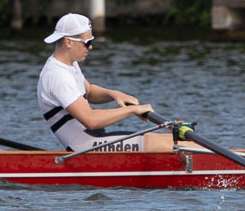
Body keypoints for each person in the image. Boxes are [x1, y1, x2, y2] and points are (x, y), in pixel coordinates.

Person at [36, 12, 184, 152]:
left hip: (94, 139)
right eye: (87, 42)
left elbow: (89, 92)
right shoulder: (57, 75)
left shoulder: (69, 64)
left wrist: (114, 94)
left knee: (177, 140)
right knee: (166, 143)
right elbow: (90, 120)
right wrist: (133, 110)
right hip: (84, 147)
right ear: (68, 42)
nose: (91, 47)